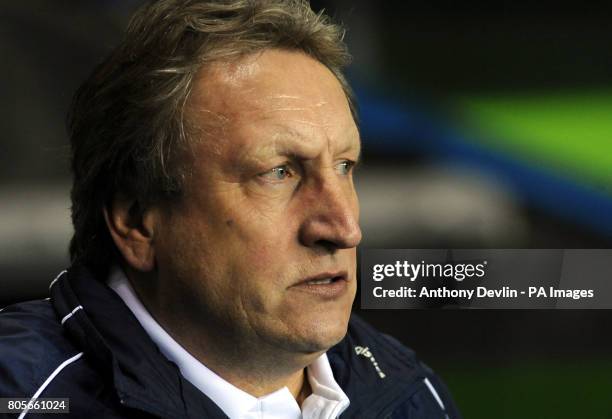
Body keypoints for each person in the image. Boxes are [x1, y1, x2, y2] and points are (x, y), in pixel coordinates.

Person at [0, 1, 460, 417]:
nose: (343, 228)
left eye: (344, 166)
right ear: (138, 222)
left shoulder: (408, 393)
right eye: (278, 172)